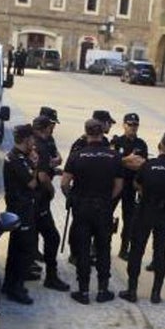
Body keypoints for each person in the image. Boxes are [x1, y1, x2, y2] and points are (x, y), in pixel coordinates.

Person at [119, 132, 165, 304]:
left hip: (146, 210)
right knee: (160, 252)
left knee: (136, 251)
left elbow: (137, 183)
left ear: (160, 146)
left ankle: (132, 290)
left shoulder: (149, 165)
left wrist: (145, 191)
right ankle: (156, 293)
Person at [61, 118, 123, 304]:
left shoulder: (77, 156)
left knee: (83, 249)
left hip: (82, 208)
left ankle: (84, 291)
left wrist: (73, 199)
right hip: (103, 207)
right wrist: (107, 200)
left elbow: (64, 183)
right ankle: (103, 290)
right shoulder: (114, 157)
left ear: (86, 132)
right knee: (104, 249)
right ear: (102, 132)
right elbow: (119, 186)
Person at [31, 114, 72, 292]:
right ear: (46, 128)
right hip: (39, 200)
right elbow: (41, 175)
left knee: (28, 237)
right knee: (52, 237)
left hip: (31, 200)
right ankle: (51, 276)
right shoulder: (42, 146)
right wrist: (51, 189)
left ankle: (25, 269)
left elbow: (43, 168)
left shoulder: (32, 143)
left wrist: (54, 170)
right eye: (51, 126)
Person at [1, 124, 39, 304]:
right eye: (32, 138)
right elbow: (31, 183)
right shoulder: (15, 159)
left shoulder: (20, 157)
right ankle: (16, 287)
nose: (33, 142)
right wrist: (36, 165)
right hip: (20, 209)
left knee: (16, 249)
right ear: (26, 139)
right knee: (24, 250)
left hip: (21, 208)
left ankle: (10, 284)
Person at [111, 113, 149, 261]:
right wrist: (128, 160)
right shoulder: (117, 141)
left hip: (132, 185)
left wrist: (124, 162)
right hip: (116, 183)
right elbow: (113, 161)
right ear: (124, 125)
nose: (133, 127)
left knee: (129, 219)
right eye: (130, 124)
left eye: (135, 125)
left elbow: (142, 164)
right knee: (107, 214)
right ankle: (97, 246)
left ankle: (124, 249)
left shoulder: (141, 144)